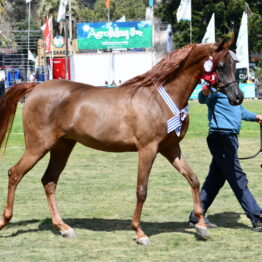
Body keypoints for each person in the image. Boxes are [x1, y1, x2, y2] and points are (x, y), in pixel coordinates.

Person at [188, 86, 262, 231]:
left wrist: (256, 117)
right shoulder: (215, 88)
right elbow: (203, 99)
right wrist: (204, 92)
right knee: (238, 178)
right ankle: (257, 218)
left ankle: (196, 216)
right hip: (221, 137)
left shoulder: (232, 89)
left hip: (229, 138)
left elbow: (240, 110)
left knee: (214, 181)